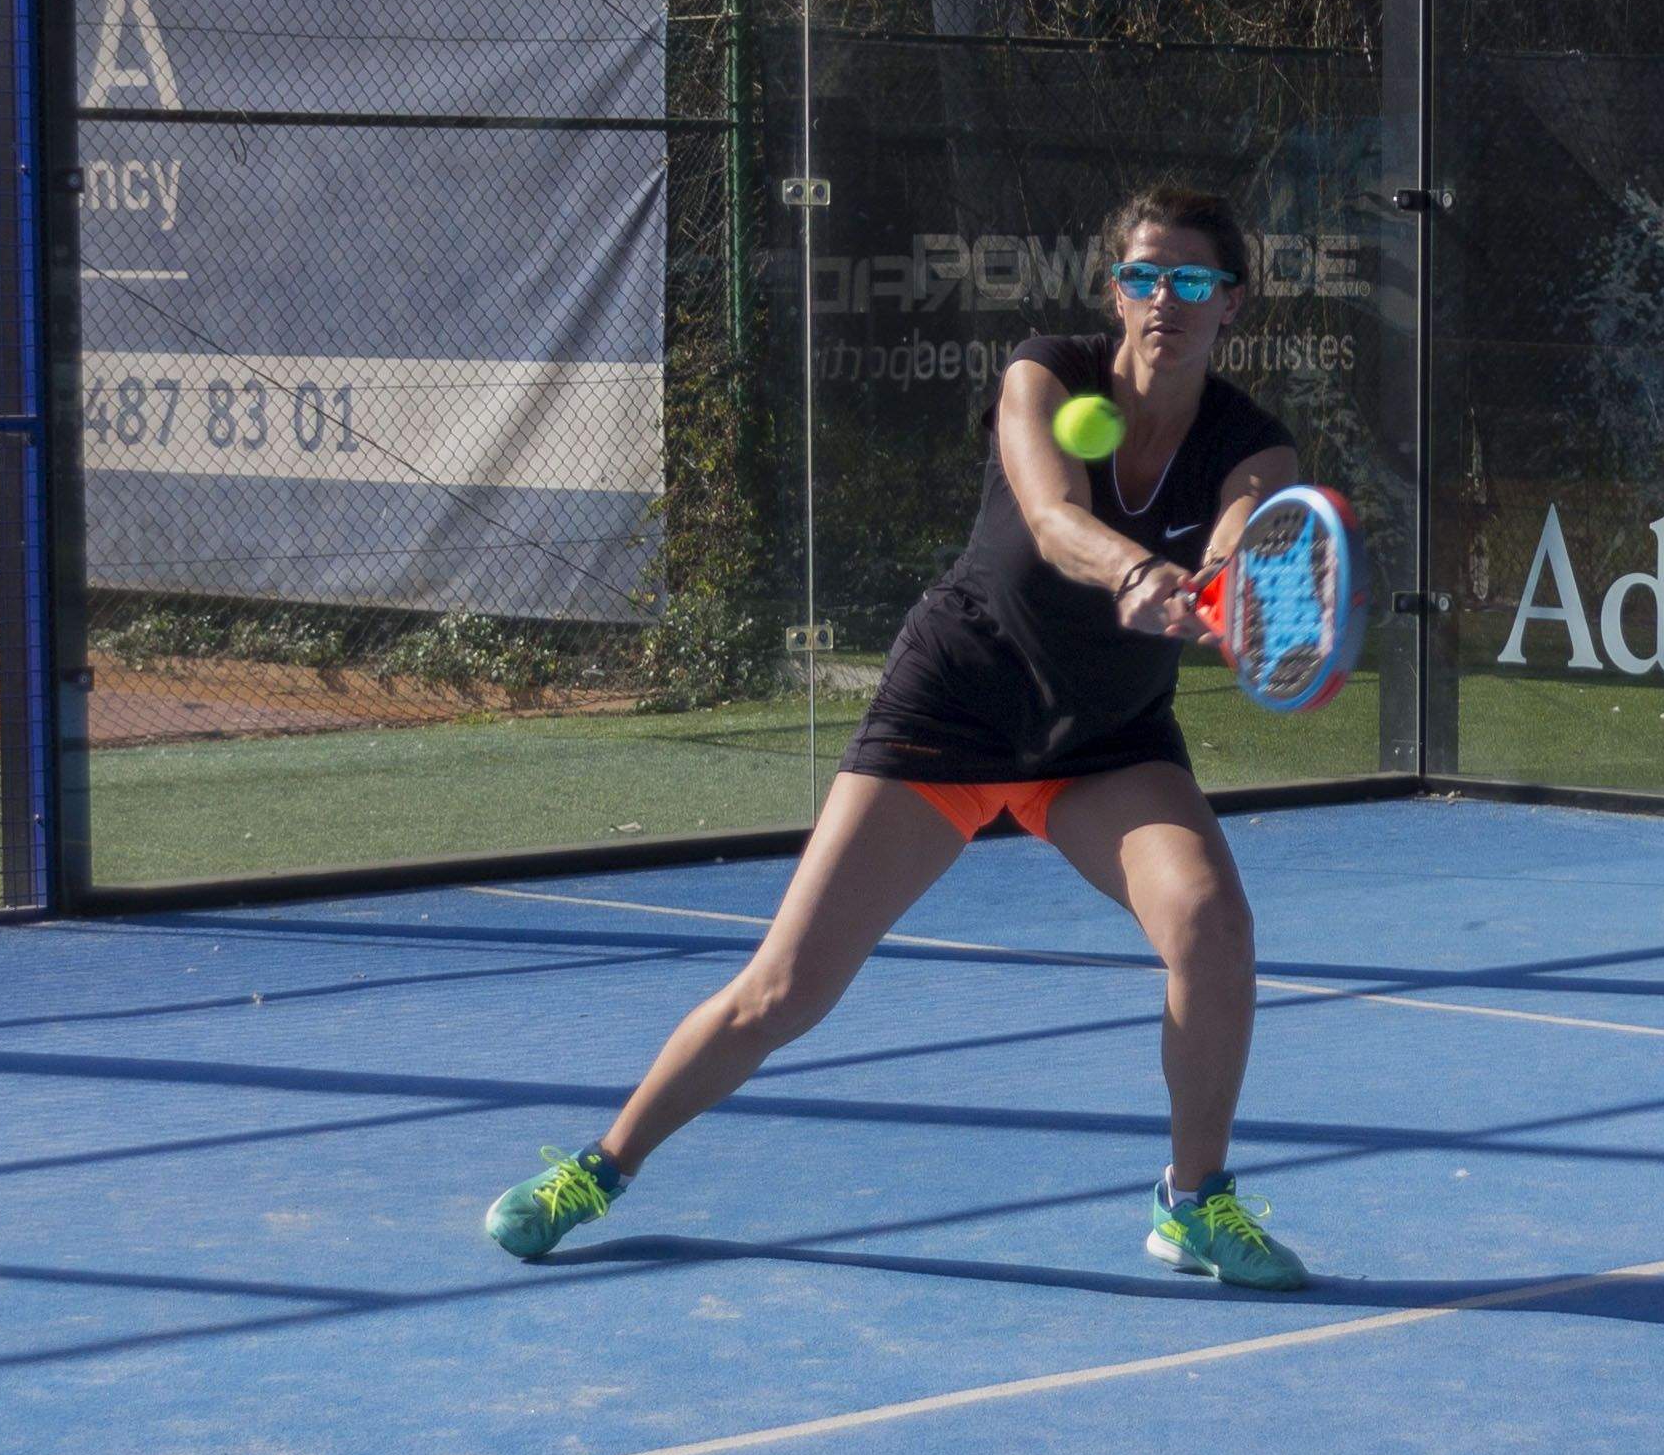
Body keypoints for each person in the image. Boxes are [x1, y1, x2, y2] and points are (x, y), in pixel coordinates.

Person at [484, 184, 1310, 1292]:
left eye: (1194, 280)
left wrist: (1220, 581)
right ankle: (598, 1167)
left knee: (1212, 924)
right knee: (787, 988)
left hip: (1108, 737)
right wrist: (1135, 569)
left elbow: (1246, 531)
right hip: (955, 702)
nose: (1166, 299)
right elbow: (1054, 516)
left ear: (1233, 303)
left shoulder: (1254, 445)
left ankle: (1195, 1201)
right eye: (1144, 275)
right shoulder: (1045, 371)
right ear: (1114, 291)